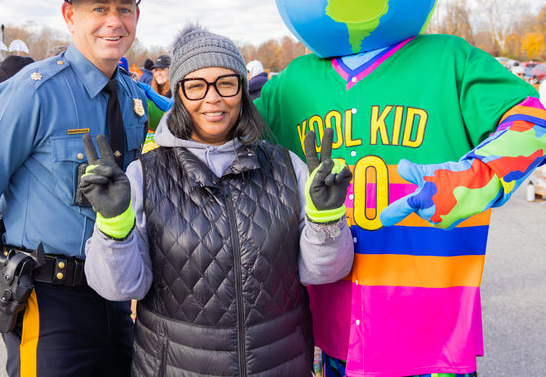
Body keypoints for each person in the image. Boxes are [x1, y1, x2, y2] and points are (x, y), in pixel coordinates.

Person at [257, 0, 546, 376]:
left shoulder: (448, 59)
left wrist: (469, 181)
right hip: (333, 325)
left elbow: (534, 124)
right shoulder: (294, 83)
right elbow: (222, 138)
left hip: (430, 328)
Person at [0, 0, 169, 377]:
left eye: (125, 9)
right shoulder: (33, 92)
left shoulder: (130, 96)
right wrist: (1, 273)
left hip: (115, 295)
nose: (114, 21)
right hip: (49, 302)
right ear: (70, 16)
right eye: (99, 8)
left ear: (137, 17)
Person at [83, 26, 354, 375]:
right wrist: (114, 227)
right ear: (178, 93)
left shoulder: (288, 166)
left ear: (242, 89)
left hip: (279, 365)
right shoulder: (144, 175)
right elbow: (119, 288)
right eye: (196, 86)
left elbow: (323, 271)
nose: (213, 98)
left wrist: (326, 219)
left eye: (226, 83)